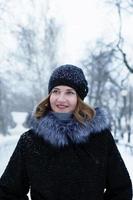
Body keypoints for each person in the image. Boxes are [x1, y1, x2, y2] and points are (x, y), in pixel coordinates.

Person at [0, 64, 132, 200]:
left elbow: (121, 189)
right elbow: (8, 192)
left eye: (69, 92)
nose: (60, 99)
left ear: (79, 98)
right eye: (56, 91)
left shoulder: (101, 138)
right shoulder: (30, 141)